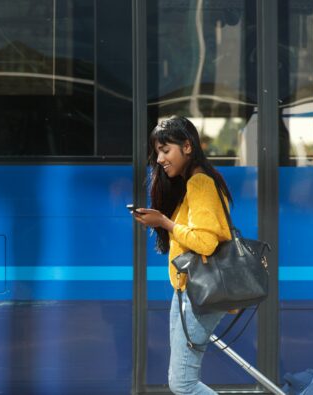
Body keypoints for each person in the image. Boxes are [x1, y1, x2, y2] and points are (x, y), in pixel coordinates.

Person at [133, 116, 233, 394]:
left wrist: (165, 223)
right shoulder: (193, 181)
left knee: (183, 384)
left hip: (202, 293)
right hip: (188, 290)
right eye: (158, 152)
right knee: (181, 380)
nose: (161, 159)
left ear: (187, 146)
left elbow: (205, 242)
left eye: (166, 150)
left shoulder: (200, 182)